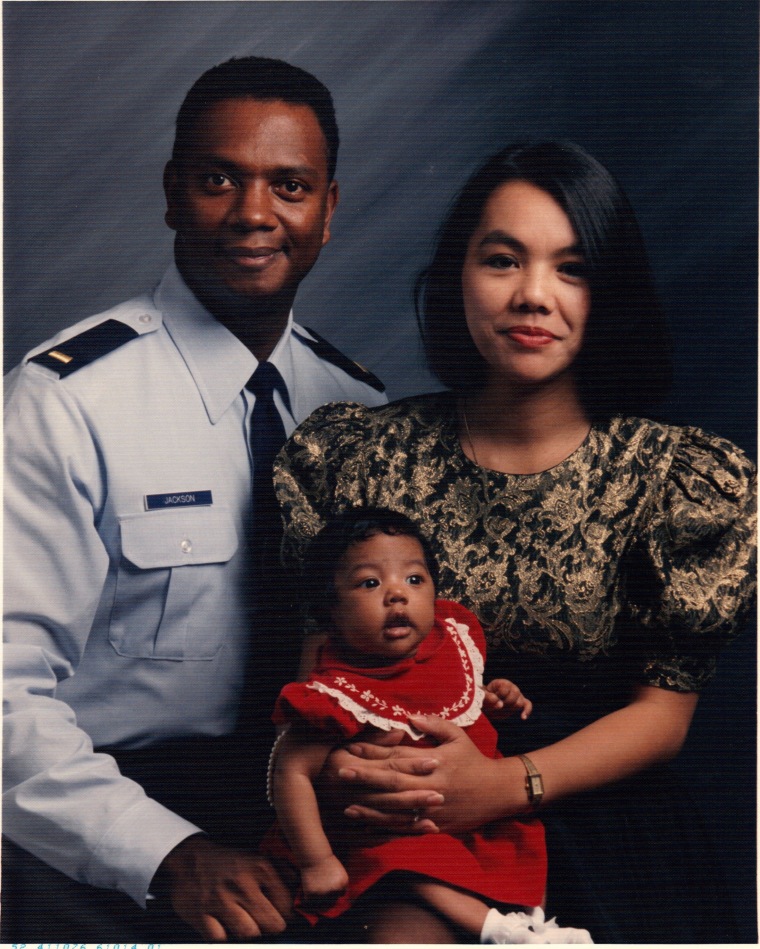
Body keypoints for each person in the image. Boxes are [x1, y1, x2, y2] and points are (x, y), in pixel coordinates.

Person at [274, 141, 757, 943]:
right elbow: (320, 678)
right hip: (403, 820)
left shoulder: (675, 477)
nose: (534, 295)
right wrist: (347, 769)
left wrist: (500, 783)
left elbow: (662, 717)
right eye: (503, 260)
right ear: (456, 276)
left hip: (595, 822)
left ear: (611, 291)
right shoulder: (357, 458)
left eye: (571, 268)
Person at [3, 55, 387, 944]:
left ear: (329, 211)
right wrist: (164, 853)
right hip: (109, 814)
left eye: (289, 185)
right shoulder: (65, 401)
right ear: (174, 192)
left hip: (314, 810)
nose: (255, 214)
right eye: (220, 179)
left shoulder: (360, 409)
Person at [266, 507, 592, 943]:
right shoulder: (337, 691)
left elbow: (460, 710)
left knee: (515, 856)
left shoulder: (448, 645)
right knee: (404, 860)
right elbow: (289, 770)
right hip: (386, 832)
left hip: (480, 817)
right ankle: (501, 929)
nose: (397, 594)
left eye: (414, 580)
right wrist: (316, 860)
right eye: (370, 583)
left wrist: (494, 702)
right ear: (330, 612)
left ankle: (516, 921)